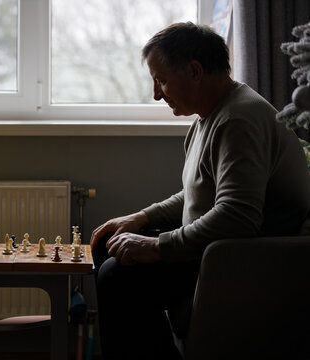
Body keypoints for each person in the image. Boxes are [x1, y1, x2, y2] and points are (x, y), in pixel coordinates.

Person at [91, 22, 310, 359]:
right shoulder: (209, 117)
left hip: (242, 261)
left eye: (161, 80)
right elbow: (196, 194)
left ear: (194, 71)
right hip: (214, 250)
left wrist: (158, 246)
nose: (156, 94)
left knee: (118, 276)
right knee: (109, 245)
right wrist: (142, 218)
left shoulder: (239, 120)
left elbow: (238, 217)